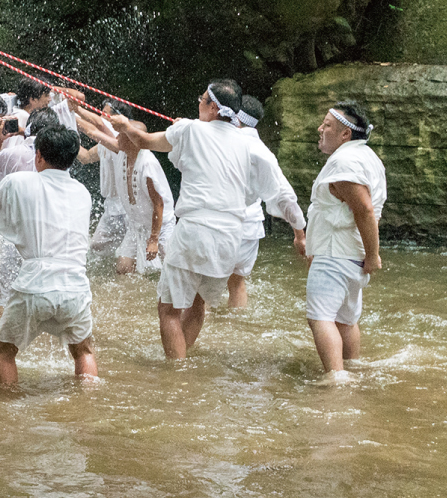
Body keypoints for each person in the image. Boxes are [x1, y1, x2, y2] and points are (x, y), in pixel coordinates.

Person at [112, 80, 306, 360]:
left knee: (168, 310)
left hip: (194, 233)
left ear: (213, 107)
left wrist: (123, 125)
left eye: (201, 100)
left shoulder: (190, 128)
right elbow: (283, 194)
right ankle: (183, 361)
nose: (198, 104)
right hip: (229, 240)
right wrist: (299, 231)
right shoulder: (251, 144)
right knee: (198, 305)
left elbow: (142, 141)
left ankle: (176, 375)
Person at [0, 125, 97, 383]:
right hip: (74, 286)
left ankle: (7, 415)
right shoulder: (83, 192)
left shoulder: (20, 181)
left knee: (5, 352)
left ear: (39, 155)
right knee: (83, 351)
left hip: (34, 285)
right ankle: (87, 408)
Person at [300, 102, 387, 380]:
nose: (320, 129)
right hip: (350, 255)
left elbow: (364, 209)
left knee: (320, 318)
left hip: (336, 253)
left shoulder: (344, 161)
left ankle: (336, 379)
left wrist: (373, 254)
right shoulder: (367, 157)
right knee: (346, 320)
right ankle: (352, 369)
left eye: (326, 125)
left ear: (345, 134)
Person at [75, 104, 173, 275]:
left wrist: (154, 239)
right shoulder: (122, 152)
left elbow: (159, 204)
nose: (117, 138)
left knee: (174, 270)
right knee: (123, 269)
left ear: (134, 141)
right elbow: (95, 132)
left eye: (121, 136)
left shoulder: (147, 164)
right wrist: (65, 116)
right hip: (137, 225)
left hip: (161, 226)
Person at [227, 95, 275, 308]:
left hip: (223, 221)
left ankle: (202, 335)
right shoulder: (264, 151)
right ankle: (235, 328)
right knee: (237, 283)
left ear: (236, 118)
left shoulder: (225, 143)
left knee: (204, 283)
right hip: (251, 223)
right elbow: (275, 192)